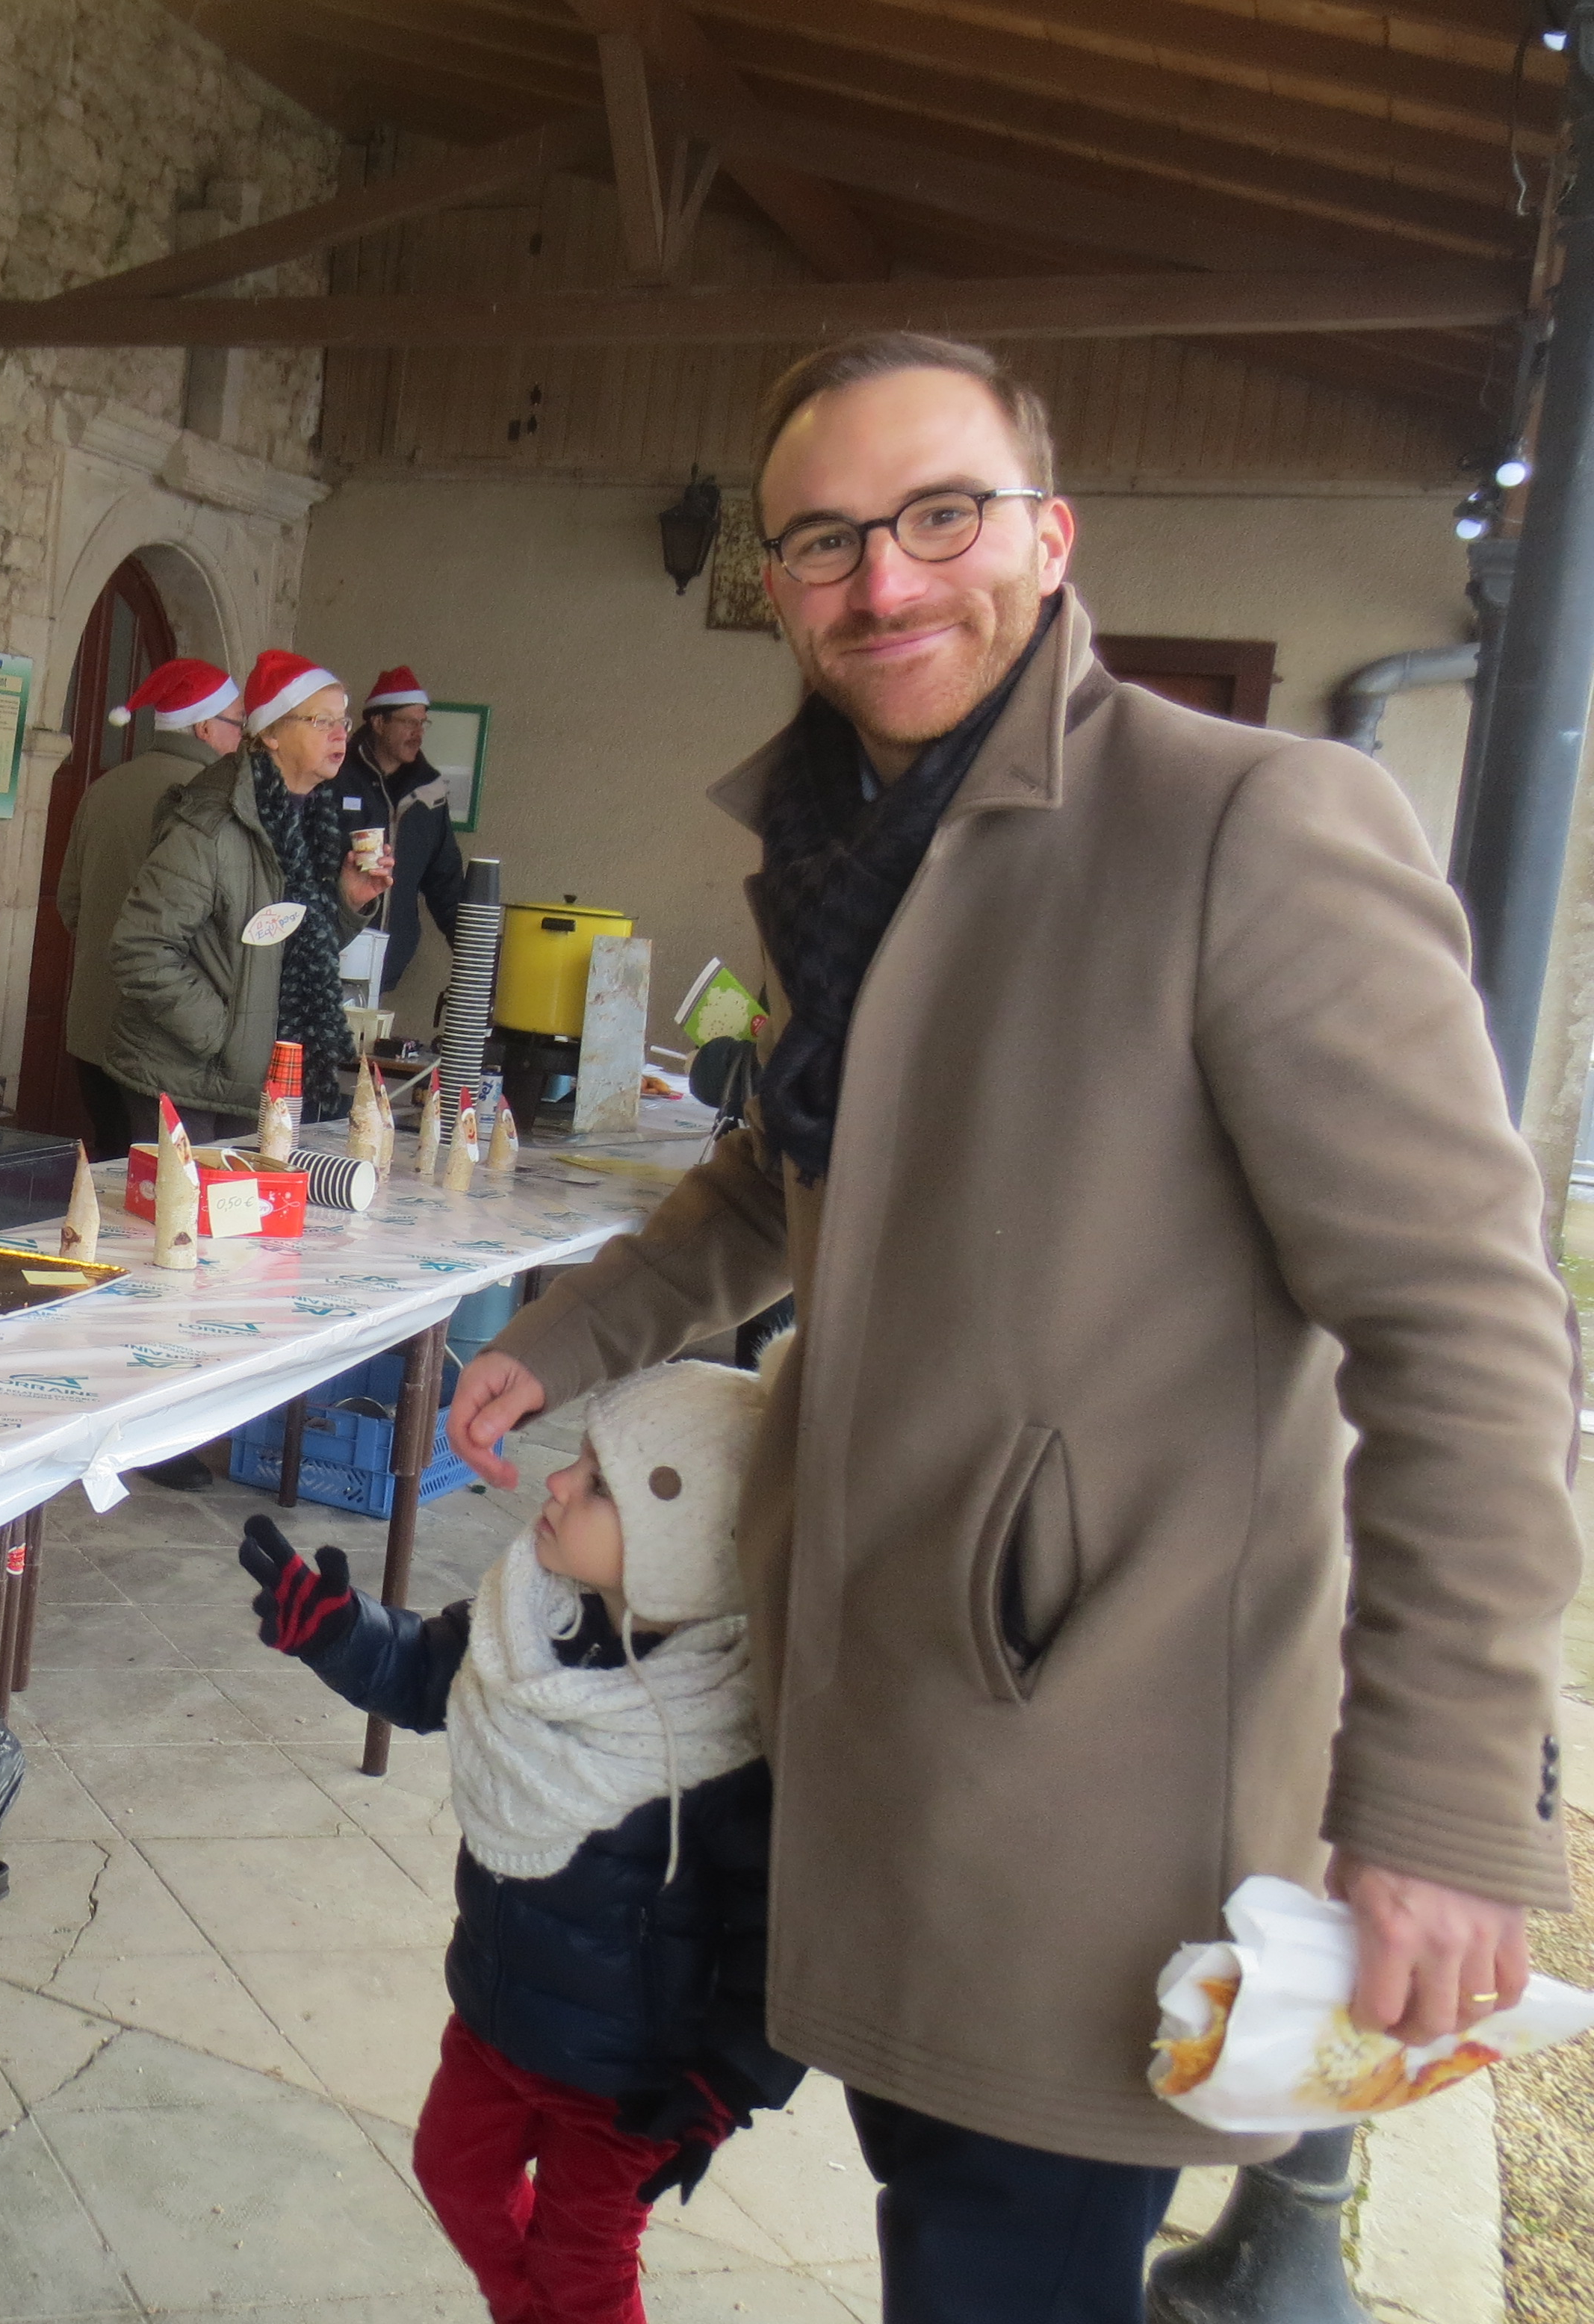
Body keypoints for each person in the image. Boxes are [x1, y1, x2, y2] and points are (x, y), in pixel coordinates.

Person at [442, 331, 1580, 2317]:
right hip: (864, 1709)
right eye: (824, 541)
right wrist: (589, 1329)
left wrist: (1442, 1801)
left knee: (1009, 2263)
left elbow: (1466, 1332)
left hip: (1089, 1771)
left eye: (941, 516)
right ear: (778, 584)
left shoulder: (1248, 824)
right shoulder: (838, 853)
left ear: (1050, 538)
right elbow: (782, 1176)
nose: (883, 580)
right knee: (935, 2218)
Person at [243, 1358, 798, 2323]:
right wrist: (340, 1635)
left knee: (584, 2265)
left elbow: (779, 1935)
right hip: (498, 2018)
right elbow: (429, 1674)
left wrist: (724, 2087)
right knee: (453, 2175)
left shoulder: (726, 1732)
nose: (558, 1481)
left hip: (634, 2080)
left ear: (690, 1532)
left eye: (600, 1484)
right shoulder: (532, 1619)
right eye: (578, 1460)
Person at [102, 650, 394, 1140]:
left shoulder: (311, 821)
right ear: (271, 734)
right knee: (186, 1195)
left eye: (342, 720)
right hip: (185, 1080)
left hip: (260, 1081)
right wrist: (228, 1036)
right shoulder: (212, 824)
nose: (340, 734)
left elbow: (288, 948)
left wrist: (348, 900)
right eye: (320, 721)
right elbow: (141, 949)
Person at [52, 658, 243, 1162]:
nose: (243, 739)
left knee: (111, 1169)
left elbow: (70, 904)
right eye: (238, 725)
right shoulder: (215, 803)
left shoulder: (104, 787)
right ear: (204, 727)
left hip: (92, 1029)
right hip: (169, 1041)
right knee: (170, 1183)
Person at [340, 666, 465, 996]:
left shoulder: (430, 791)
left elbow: (446, 882)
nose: (418, 733)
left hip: (389, 965)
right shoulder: (334, 776)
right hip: (327, 950)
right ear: (379, 723)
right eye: (409, 722)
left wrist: (474, 955)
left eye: (423, 723)